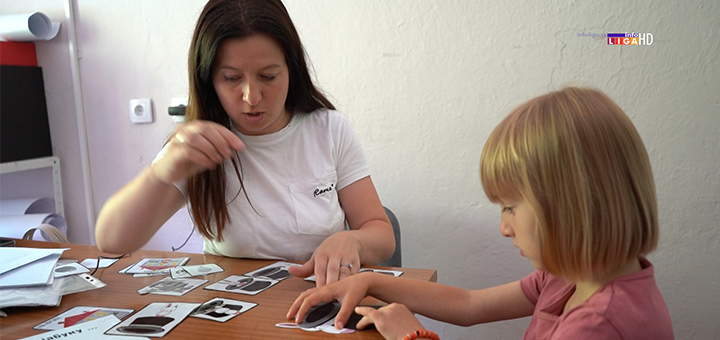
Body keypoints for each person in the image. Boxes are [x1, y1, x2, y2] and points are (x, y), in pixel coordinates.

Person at [288, 87, 674, 340]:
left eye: (510, 207)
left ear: (574, 206)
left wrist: (414, 336)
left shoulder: (598, 325)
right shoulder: (570, 279)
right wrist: (371, 283)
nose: (504, 228)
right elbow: (470, 306)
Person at [95, 0, 395, 287]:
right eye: (231, 78)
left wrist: (352, 240)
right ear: (208, 80)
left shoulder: (329, 129)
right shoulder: (199, 143)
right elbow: (111, 241)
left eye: (268, 76)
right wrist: (160, 174)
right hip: (234, 317)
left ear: (292, 70)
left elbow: (381, 234)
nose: (251, 96)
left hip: (319, 301)